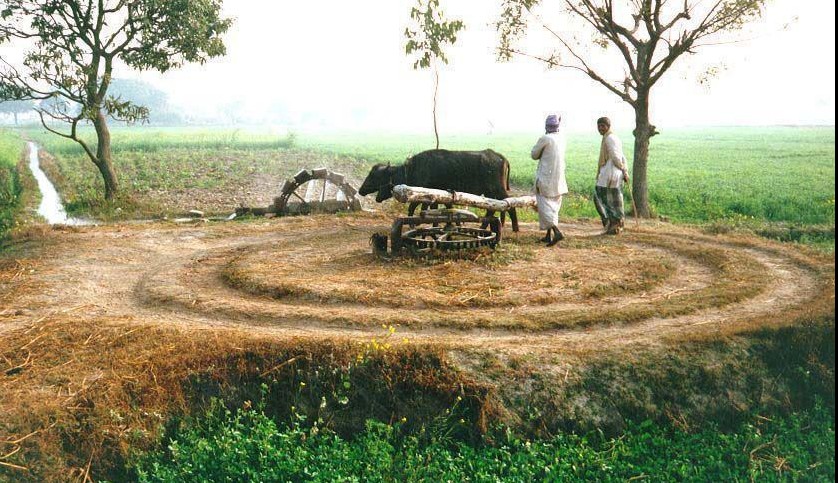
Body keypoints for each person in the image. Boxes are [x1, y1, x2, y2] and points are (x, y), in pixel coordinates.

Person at [530, 114, 568, 246]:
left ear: (547, 126)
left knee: (544, 207)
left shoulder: (545, 138)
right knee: (554, 207)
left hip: (546, 178)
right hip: (559, 179)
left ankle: (557, 232)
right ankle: (548, 235)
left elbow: (534, 155)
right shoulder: (562, 138)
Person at [594, 117, 629, 235]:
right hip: (612, 173)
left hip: (611, 173)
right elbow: (622, 156)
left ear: (608, 126)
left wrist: (624, 169)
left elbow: (616, 156)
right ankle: (614, 224)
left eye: (603, 126)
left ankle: (613, 224)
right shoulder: (611, 137)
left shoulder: (610, 138)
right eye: (599, 126)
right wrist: (624, 171)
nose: (600, 128)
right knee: (612, 200)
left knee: (604, 198)